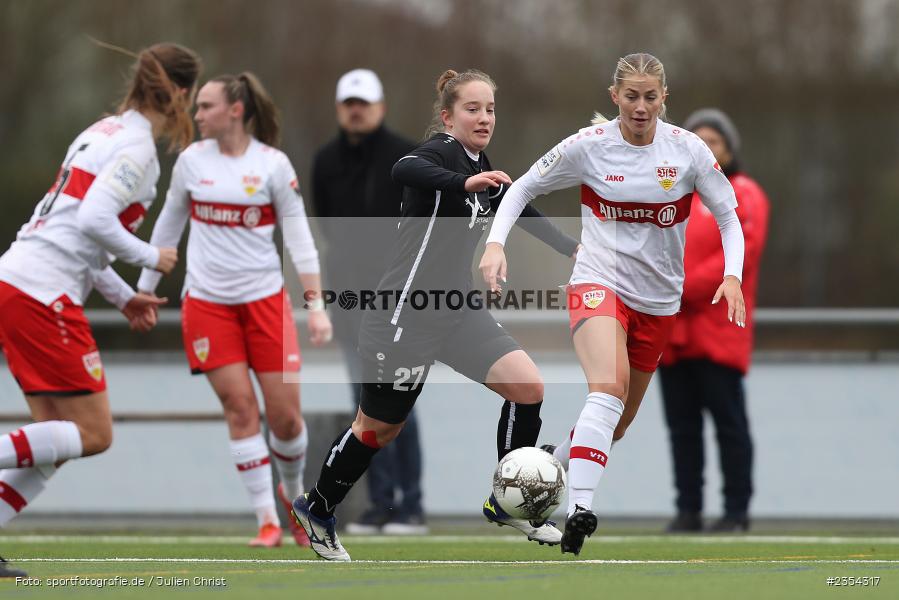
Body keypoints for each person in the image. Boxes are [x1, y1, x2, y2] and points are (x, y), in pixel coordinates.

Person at [292, 69, 580, 561]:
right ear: (448, 117)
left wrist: (572, 249)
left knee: (528, 387)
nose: (484, 117)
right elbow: (404, 168)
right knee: (378, 429)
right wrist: (464, 181)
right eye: (472, 109)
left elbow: (517, 208)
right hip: (404, 315)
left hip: (455, 310)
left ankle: (508, 501)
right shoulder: (442, 153)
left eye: (490, 109)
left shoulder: (482, 165)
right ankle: (317, 507)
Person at [479, 53, 747, 556]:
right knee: (608, 388)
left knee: (616, 423)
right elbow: (520, 189)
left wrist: (732, 275)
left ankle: (538, 471)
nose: (640, 107)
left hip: (659, 303)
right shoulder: (589, 146)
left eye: (650, 97)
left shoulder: (687, 150)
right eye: (631, 96)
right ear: (614, 96)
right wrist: (496, 244)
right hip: (597, 284)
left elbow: (729, 218)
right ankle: (579, 508)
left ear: (664, 98)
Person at [0, 42, 201, 576]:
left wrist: (122, 295)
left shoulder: (101, 131)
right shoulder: (136, 149)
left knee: (56, 442)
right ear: (182, 93)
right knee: (94, 434)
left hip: (20, 281)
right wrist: (151, 257)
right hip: (42, 292)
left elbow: (78, 234)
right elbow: (93, 221)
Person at [136, 72, 331, 548]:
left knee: (286, 420)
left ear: (236, 110)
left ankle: (293, 500)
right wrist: (143, 290)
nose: (197, 114)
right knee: (240, 408)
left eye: (206, 106)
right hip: (207, 305)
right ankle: (266, 521)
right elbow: (167, 228)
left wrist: (316, 306)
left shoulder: (272, 165)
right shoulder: (191, 162)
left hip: (266, 304)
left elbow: (299, 239)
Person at [311, 69, 426, 535]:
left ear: (380, 107)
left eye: (363, 103)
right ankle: (379, 503)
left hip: (400, 300)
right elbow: (328, 226)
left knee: (401, 403)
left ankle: (410, 506)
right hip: (350, 302)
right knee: (364, 405)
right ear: (340, 109)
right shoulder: (325, 161)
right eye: (349, 104)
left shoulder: (408, 157)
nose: (356, 111)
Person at [658, 108, 769, 533]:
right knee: (681, 428)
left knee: (729, 425)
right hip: (672, 332)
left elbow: (740, 253)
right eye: (697, 140)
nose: (705, 148)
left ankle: (736, 511)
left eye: (714, 141)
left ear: (729, 149)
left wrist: (677, 287)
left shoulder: (744, 193)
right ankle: (688, 509)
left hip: (719, 329)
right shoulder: (672, 196)